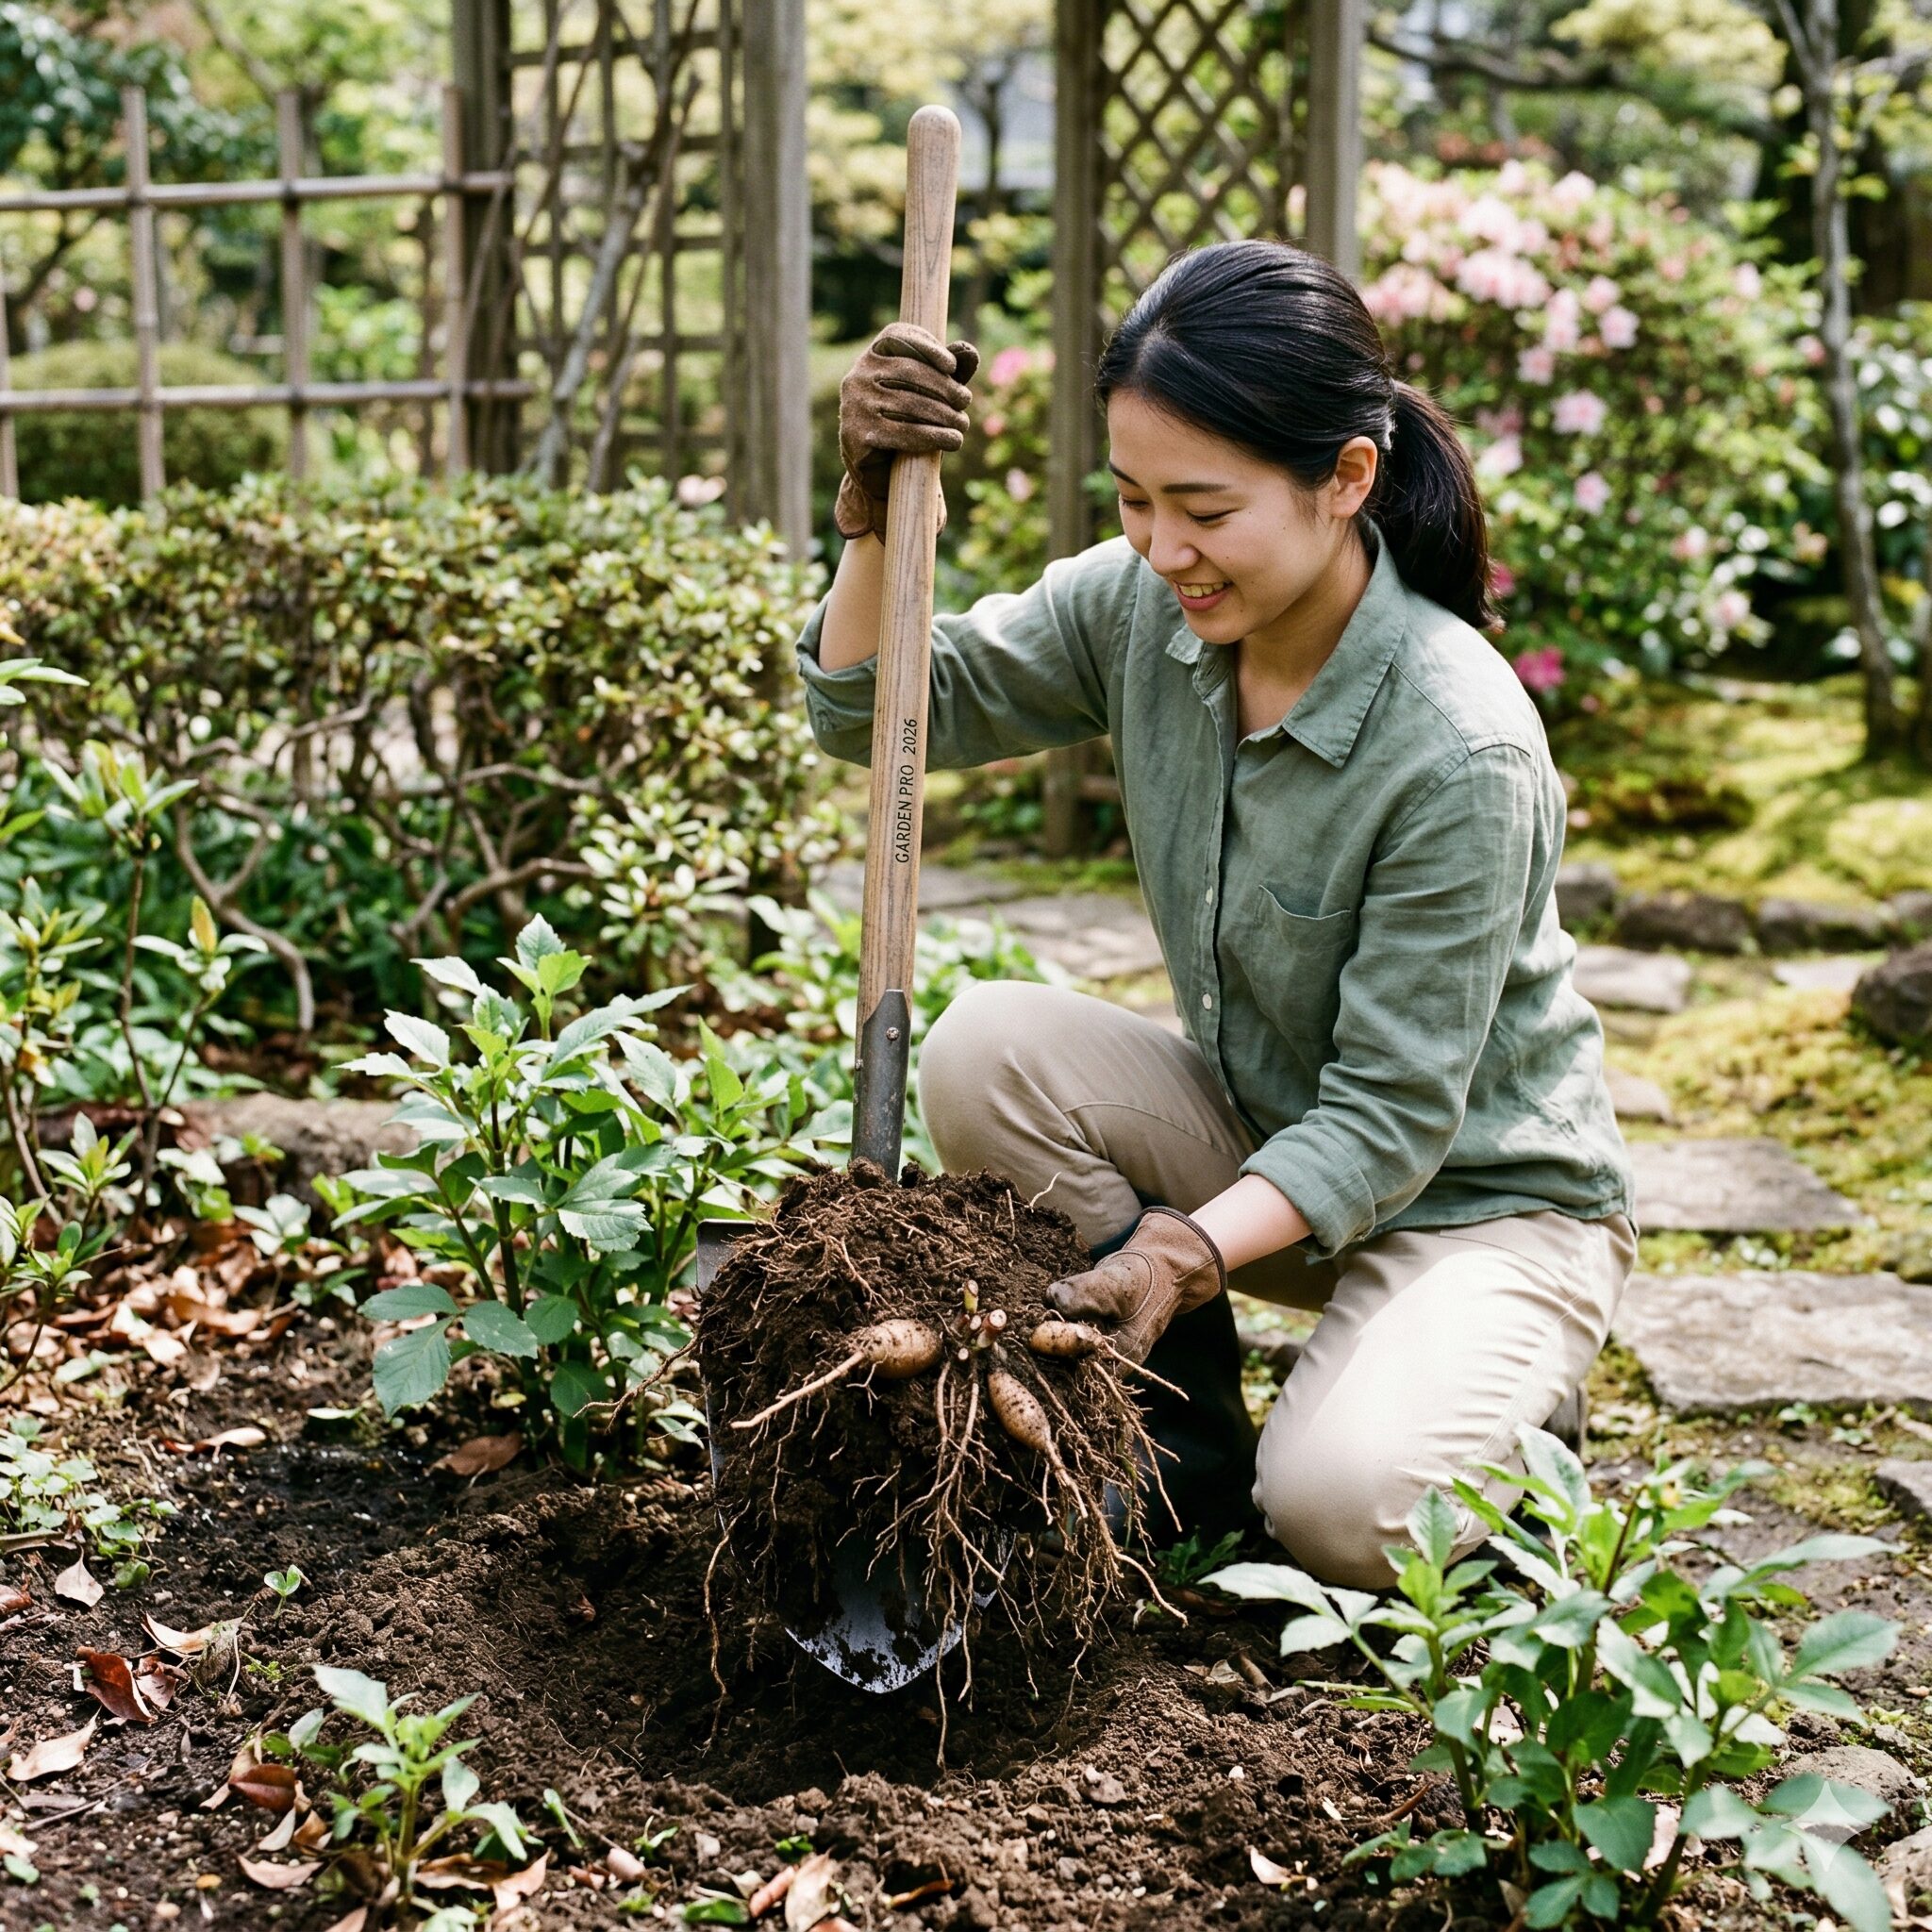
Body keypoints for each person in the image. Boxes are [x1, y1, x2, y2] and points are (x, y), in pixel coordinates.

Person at [795, 240, 1636, 1591]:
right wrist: (876, 518)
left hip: (1480, 1204)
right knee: (986, 1048)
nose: (1162, 548)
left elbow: (1392, 1117)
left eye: (1205, 507)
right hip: (1275, 1146)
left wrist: (1185, 1246)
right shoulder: (1150, 610)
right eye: (1132, 499)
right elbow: (877, 712)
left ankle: (1508, 1410)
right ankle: (1175, 1454)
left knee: (1348, 1515)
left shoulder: (1458, 745)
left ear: (1345, 479)